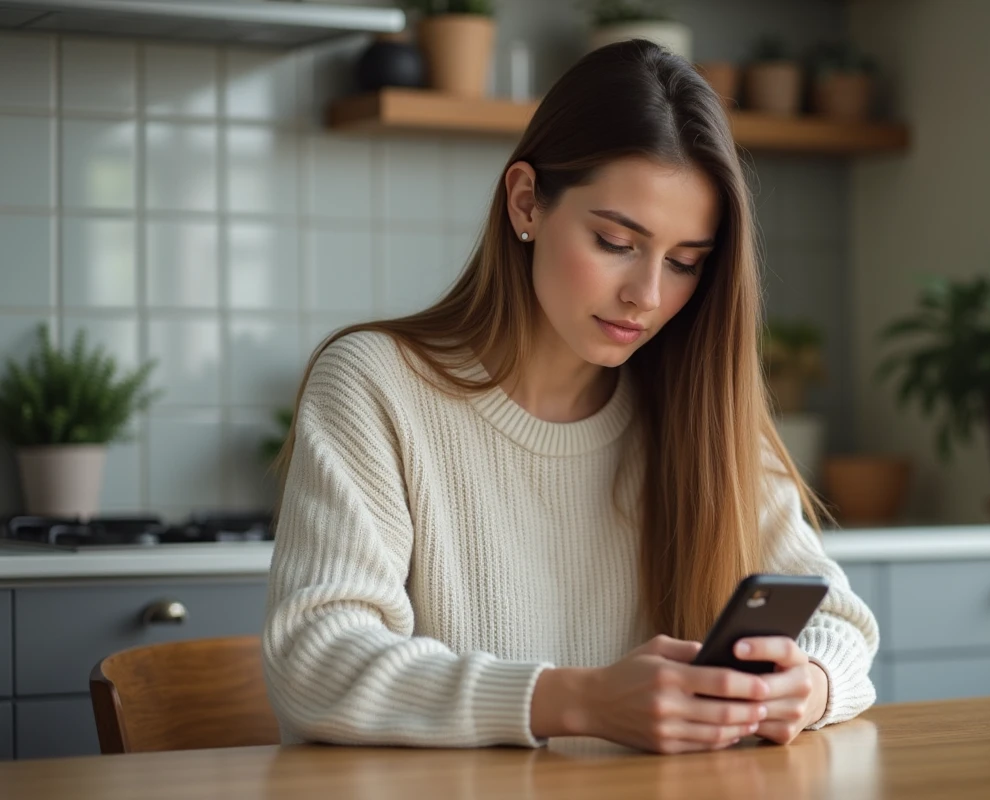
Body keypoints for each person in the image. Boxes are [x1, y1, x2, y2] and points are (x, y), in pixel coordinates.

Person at [262, 39, 879, 755]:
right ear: (526, 201)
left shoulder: (696, 408)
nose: (648, 295)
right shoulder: (376, 384)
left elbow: (840, 624)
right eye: (616, 242)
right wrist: (580, 701)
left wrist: (808, 685)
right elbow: (314, 659)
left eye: (685, 263)